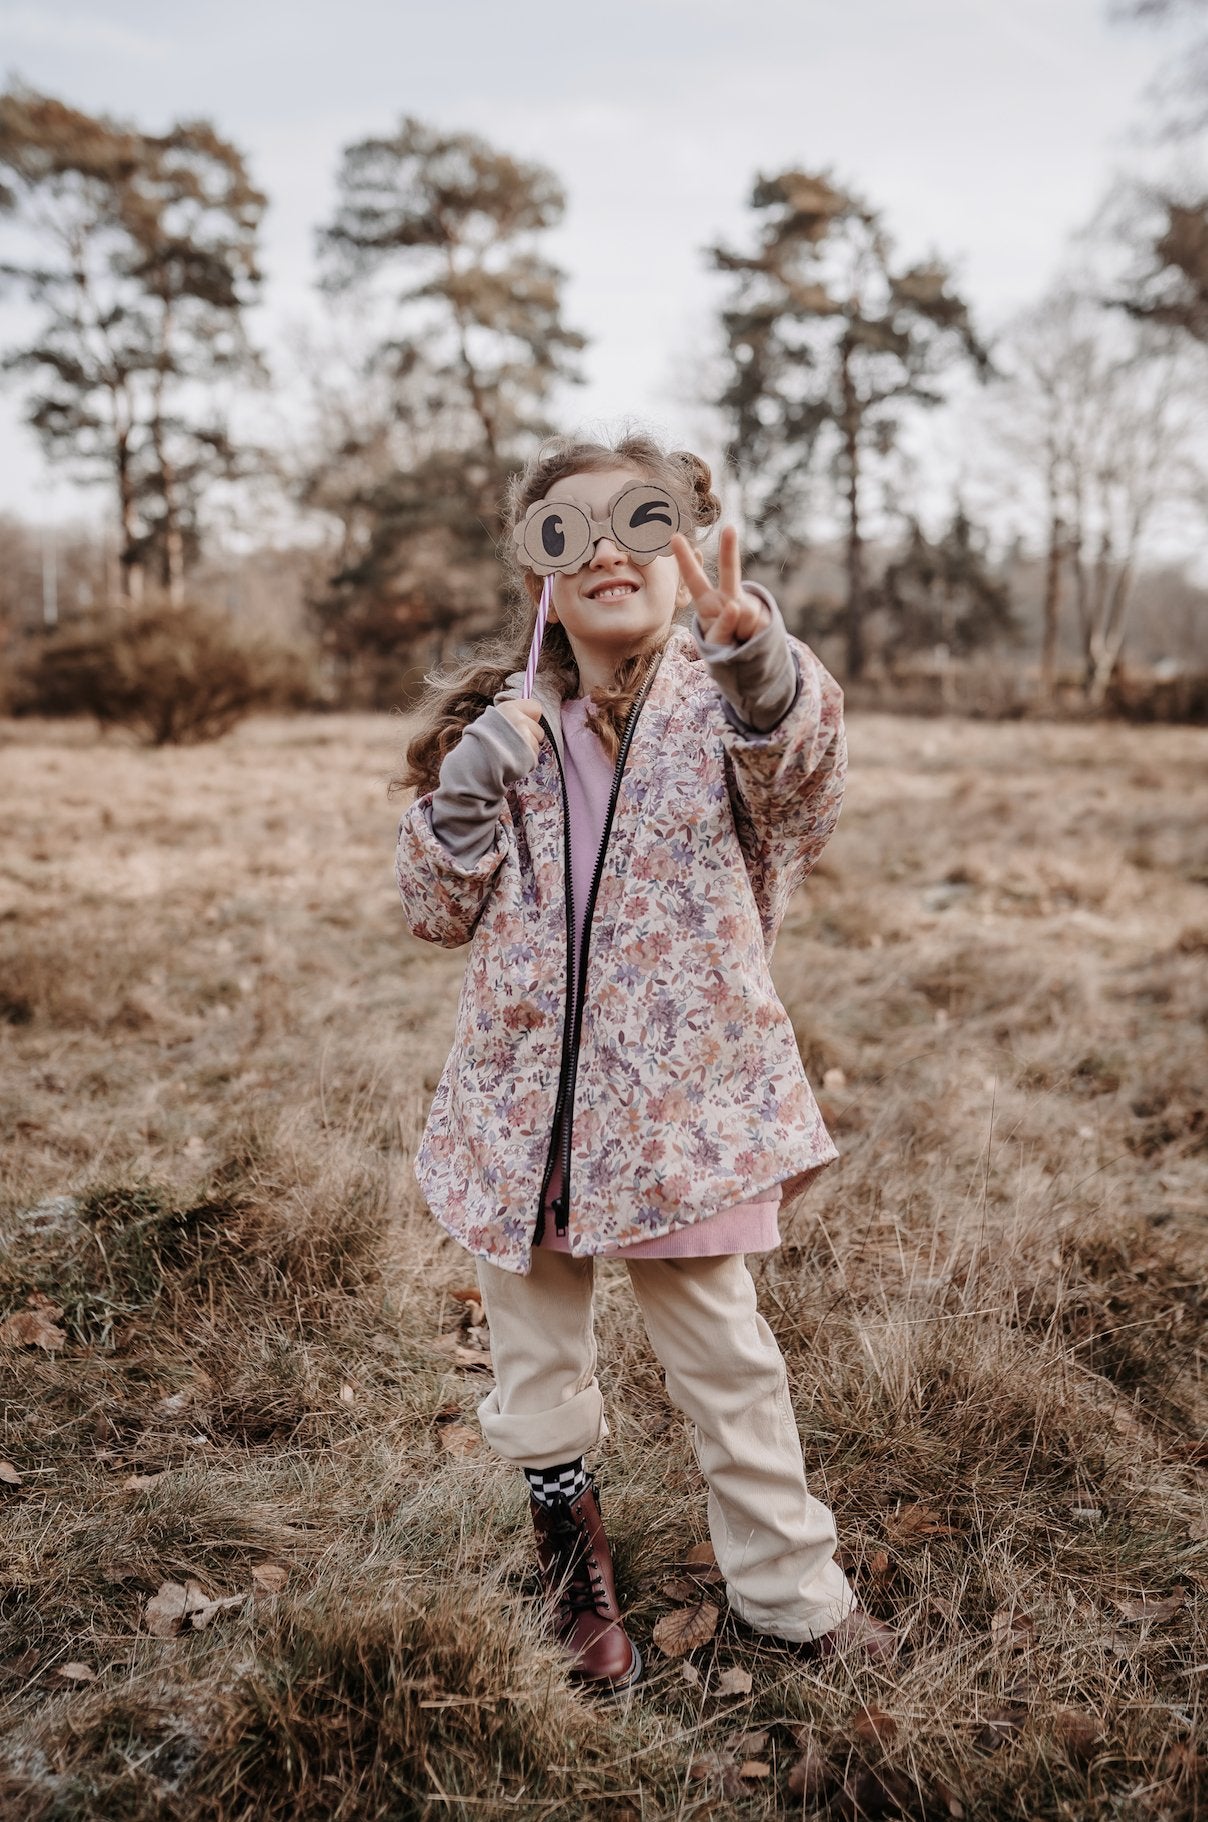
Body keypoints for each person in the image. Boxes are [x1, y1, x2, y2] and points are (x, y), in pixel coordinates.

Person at [391, 430, 896, 1696]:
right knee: (536, 1364)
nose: (606, 546)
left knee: (724, 1361)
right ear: (539, 576)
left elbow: (803, 792)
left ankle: (789, 1594)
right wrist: (465, 788)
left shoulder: (729, 702)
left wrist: (755, 658)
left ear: (686, 548)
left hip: (682, 1109)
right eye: (568, 530)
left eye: (638, 520)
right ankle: (572, 1562)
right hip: (524, 1115)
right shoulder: (502, 728)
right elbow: (433, 909)